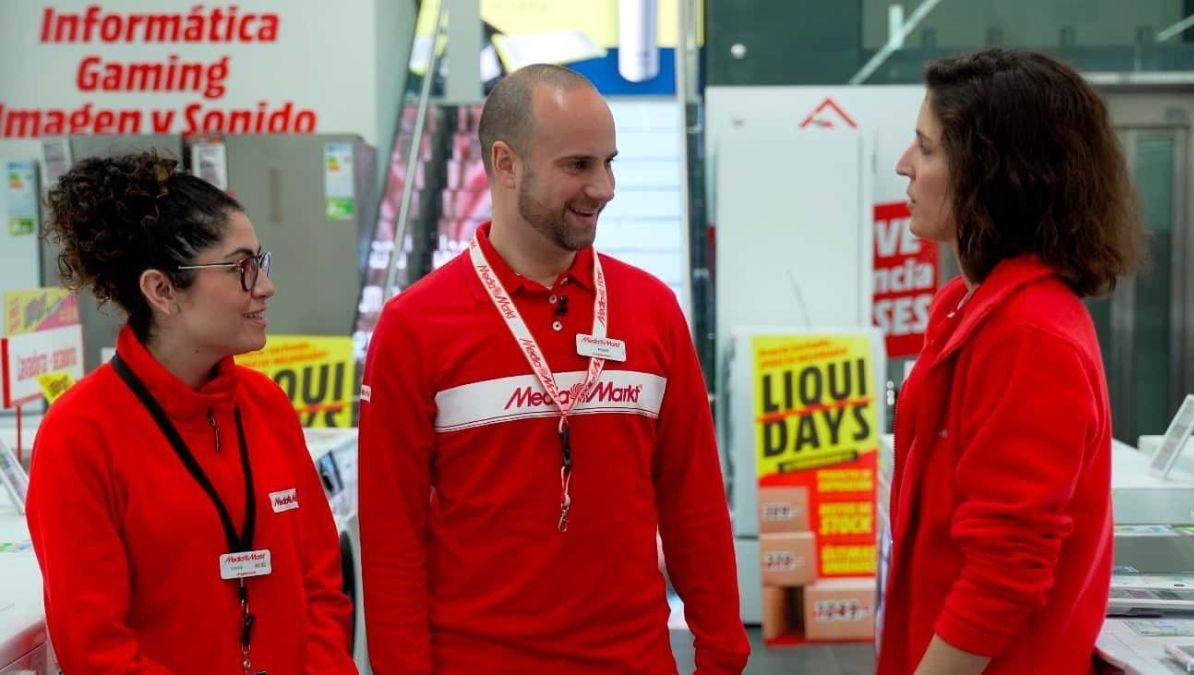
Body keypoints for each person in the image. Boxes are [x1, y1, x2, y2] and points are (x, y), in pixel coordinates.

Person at [359, 64, 750, 672]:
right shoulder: (415, 326)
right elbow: (391, 540)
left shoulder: (651, 310)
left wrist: (722, 650)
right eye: (578, 166)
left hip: (636, 660)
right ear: (506, 163)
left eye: (609, 162)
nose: (605, 187)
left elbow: (691, 498)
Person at [25, 152, 358, 674]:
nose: (265, 287)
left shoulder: (266, 407)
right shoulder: (80, 434)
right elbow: (96, 649)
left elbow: (321, 584)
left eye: (260, 264)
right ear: (162, 291)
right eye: (240, 269)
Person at [881, 49, 1142, 674]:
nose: (904, 166)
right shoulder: (967, 308)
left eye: (928, 148)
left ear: (993, 173)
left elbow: (1006, 568)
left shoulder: (1028, 333)